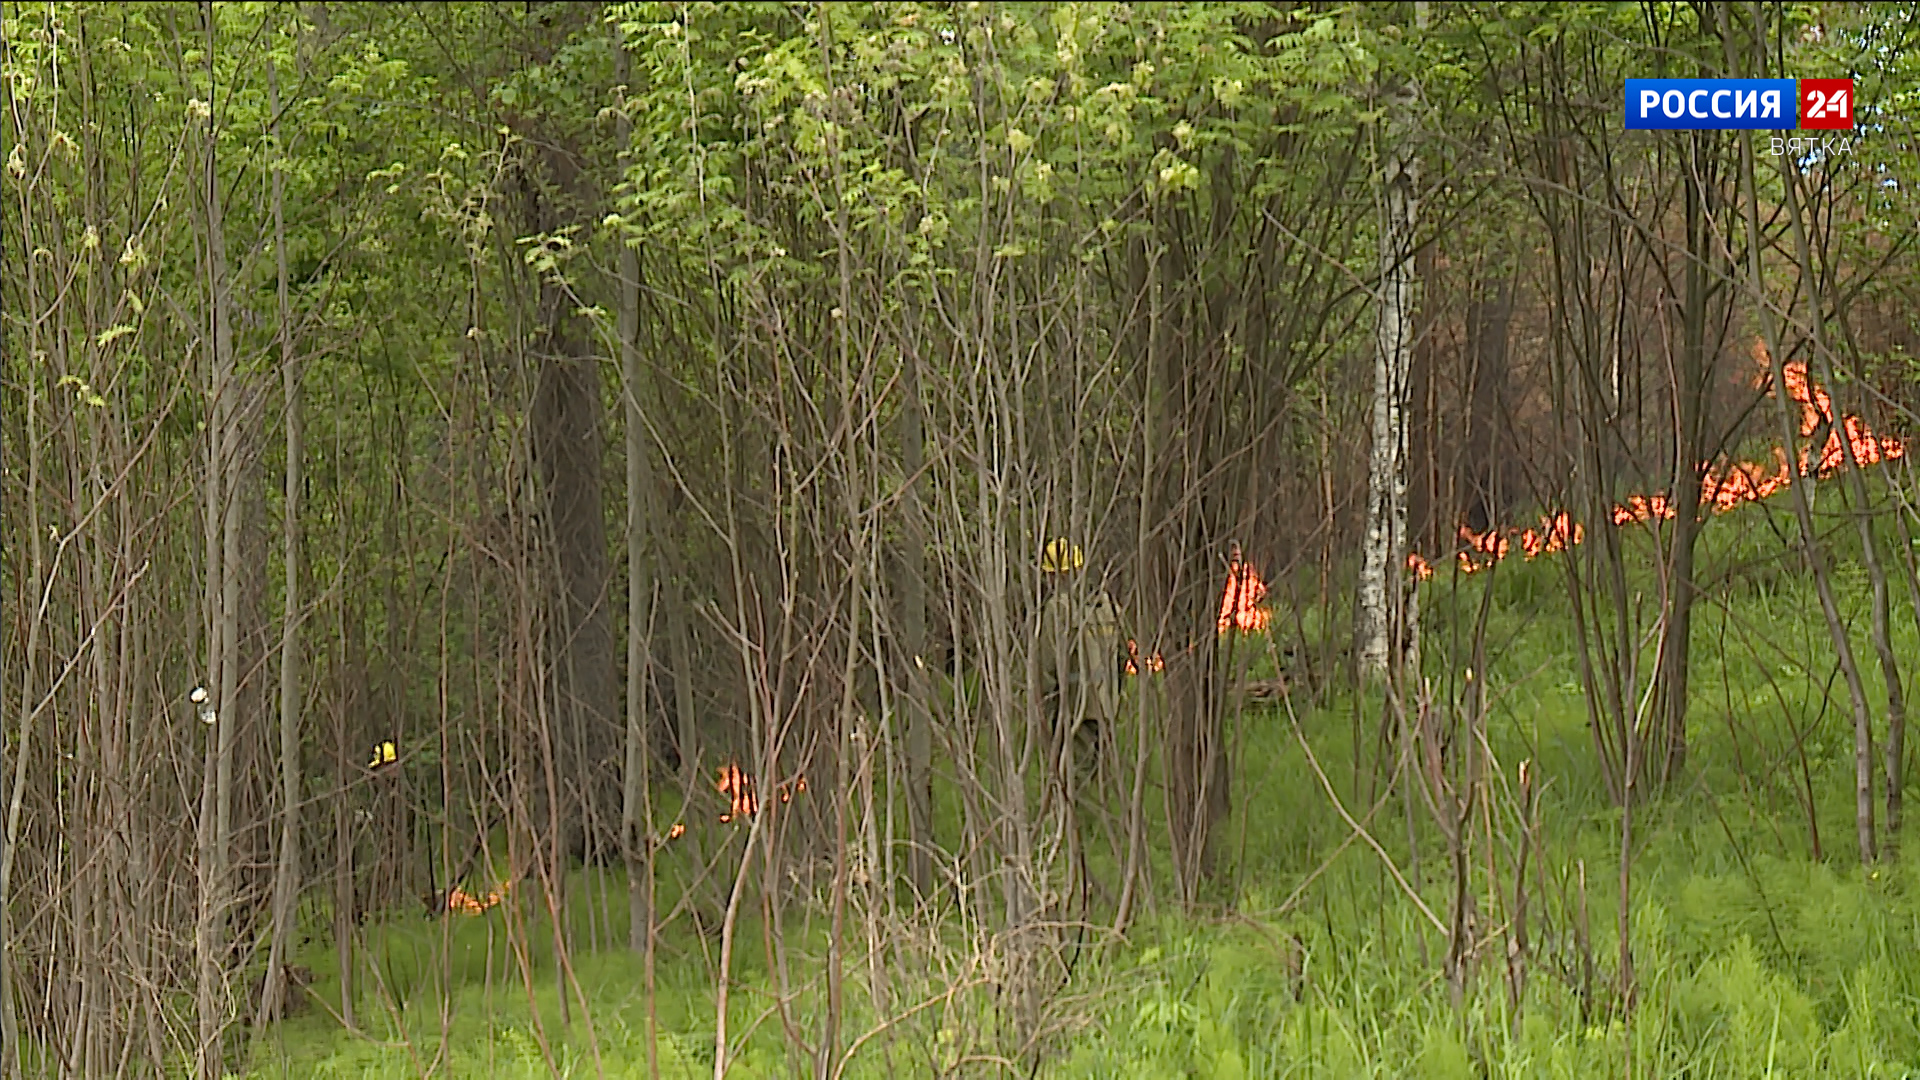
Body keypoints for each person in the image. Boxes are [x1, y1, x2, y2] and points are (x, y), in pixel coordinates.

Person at [1036, 538, 1124, 775]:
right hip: (1106, 707)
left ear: (1056, 575)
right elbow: (1121, 658)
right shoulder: (1106, 604)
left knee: (1076, 783)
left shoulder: (1058, 609)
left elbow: (1047, 667)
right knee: (1103, 783)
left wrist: (1045, 715)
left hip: (1076, 709)